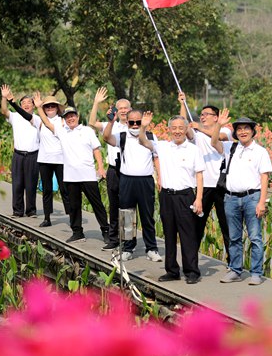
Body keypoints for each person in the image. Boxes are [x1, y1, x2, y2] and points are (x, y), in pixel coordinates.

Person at [34, 93, 110, 243]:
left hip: (87, 175)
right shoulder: (62, 132)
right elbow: (47, 123)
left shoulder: (87, 131)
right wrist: (38, 108)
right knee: (74, 206)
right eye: (68, 117)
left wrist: (100, 168)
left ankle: (106, 231)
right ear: (65, 119)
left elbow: (96, 150)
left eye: (73, 116)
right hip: (71, 176)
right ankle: (77, 231)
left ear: (77, 116)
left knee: (97, 205)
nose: (71, 118)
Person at [139, 113, 205, 284]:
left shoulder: (193, 150)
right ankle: (172, 270)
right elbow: (143, 141)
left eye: (180, 128)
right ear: (169, 130)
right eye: (174, 128)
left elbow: (199, 176)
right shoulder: (162, 146)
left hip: (186, 196)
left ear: (186, 129)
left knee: (188, 235)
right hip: (167, 196)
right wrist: (143, 127)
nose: (177, 131)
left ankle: (191, 271)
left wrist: (198, 199)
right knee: (169, 234)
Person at [211, 109, 272, 285]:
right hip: (230, 198)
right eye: (239, 129)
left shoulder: (260, 151)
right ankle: (235, 270)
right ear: (235, 133)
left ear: (253, 131)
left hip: (251, 198)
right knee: (234, 236)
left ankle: (256, 273)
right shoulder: (231, 148)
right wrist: (219, 125)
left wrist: (262, 202)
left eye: (246, 128)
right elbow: (213, 141)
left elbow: (264, 178)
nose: (243, 132)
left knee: (255, 237)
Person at [178, 92, 232, 264]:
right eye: (201, 115)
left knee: (227, 226)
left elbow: (219, 138)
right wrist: (182, 103)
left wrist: (199, 127)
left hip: (223, 186)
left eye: (206, 115)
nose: (202, 117)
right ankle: (191, 261)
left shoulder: (224, 130)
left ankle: (233, 262)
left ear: (216, 118)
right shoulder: (197, 134)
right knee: (197, 225)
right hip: (204, 186)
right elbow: (183, 126)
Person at [103, 108, 163, 262]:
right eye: (132, 122)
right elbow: (106, 137)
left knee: (147, 215)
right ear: (127, 122)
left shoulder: (150, 136)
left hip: (145, 181)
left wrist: (160, 178)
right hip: (127, 180)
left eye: (138, 122)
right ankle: (128, 247)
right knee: (127, 215)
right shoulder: (122, 136)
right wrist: (111, 122)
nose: (135, 125)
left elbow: (155, 156)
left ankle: (152, 248)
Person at [88, 87, 132, 251]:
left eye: (125, 108)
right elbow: (92, 123)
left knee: (127, 206)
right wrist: (96, 103)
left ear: (130, 110)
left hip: (130, 171)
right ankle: (113, 239)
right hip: (114, 169)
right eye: (120, 108)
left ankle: (128, 241)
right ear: (116, 110)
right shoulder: (109, 125)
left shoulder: (134, 126)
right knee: (114, 206)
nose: (123, 111)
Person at [0, 84, 40, 218]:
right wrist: (4, 98)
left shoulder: (38, 119)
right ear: (20, 105)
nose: (26, 105)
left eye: (29, 102)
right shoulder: (15, 116)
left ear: (33, 105)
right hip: (18, 155)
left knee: (31, 184)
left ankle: (31, 211)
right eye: (23, 103)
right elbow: (4, 111)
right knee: (17, 184)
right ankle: (17, 211)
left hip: (33, 156)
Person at [36, 95, 70, 226]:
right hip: (44, 159)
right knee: (47, 189)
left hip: (60, 159)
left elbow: (48, 124)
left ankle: (71, 215)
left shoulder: (62, 121)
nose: (50, 108)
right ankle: (47, 217)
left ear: (57, 108)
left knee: (64, 188)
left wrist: (39, 107)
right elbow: (27, 116)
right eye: (47, 106)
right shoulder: (39, 121)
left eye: (52, 106)